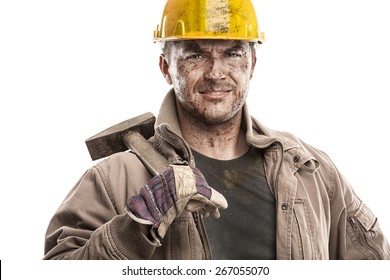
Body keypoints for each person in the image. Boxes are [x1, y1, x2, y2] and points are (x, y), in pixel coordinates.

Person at [43, 0, 390, 260]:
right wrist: (135, 226)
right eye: (195, 55)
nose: (215, 72)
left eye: (233, 54)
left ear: (252, 63)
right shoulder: (112, 178)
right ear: (166, 66)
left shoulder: (310, 170)